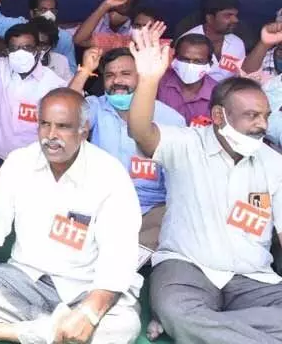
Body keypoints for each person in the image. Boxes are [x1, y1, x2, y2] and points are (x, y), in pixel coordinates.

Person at [0, 88, 143, 344]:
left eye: (63, 127)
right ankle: (57, 332)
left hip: (84, 288)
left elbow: (119, 260)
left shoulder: (110, 175)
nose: (51, 136)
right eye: (44, 124)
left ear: (84, 130)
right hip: (26, 281)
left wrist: (89, 312)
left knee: (121, 327)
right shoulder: (20, 162)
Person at [126, 26, 282, 343]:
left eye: (264, 116)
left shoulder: (273, 162)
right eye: (251, 115)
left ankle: (204, 328)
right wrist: (148, 80)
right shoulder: (185, 144)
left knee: (186, 319)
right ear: (219, 116)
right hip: (186, 270)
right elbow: (141, 131)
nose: (261, 125)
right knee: (176, 309)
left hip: (253, 277)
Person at [70, 45, 185, 250]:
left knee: (169, 226)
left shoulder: (171, 119)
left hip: (150, 209)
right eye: (110, 75)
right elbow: (65, 111)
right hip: (100, 201)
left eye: (125, 74)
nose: (117, 81)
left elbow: (178, 184)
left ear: (141, 76)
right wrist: (85, 71)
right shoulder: (95, 106)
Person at [0, 0, 66, 164]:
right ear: (7, 51)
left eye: (27, 48)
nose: (20, 53)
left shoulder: (54, 84)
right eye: (15, 48)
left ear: (38, 50)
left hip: (36, 164)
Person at [181, 0, 246, 82]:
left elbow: (244, 73)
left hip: (228, 93)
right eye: (228, 15)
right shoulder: (187, 42)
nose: (235, 20)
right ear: (210, 18)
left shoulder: (237, 43)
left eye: (235, 15)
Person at [156, 33, 217, 125]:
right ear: (174, 59)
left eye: (198, 61)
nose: (190, 66)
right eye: (184, 59)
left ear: (210, 64)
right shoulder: (157, 81)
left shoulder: (218, 93)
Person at [72, 0, 139, 48]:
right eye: (116, 1)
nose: (119, 6)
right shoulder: (97, 20)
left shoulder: (133, 32)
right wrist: (106, 5)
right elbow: (78, 40)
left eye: (125, 4)